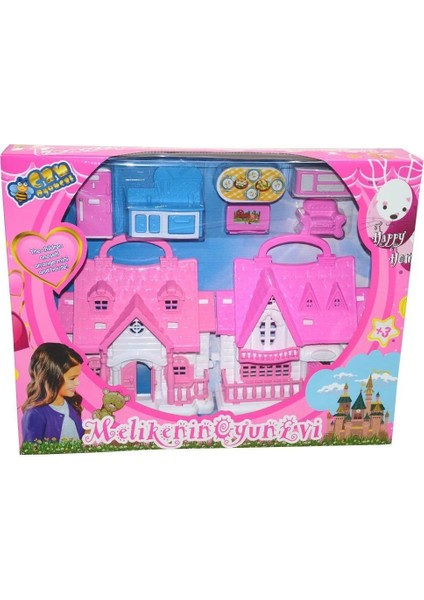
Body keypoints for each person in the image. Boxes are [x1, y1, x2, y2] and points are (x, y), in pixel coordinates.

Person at [21, 343, 85, 443]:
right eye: (72, 378)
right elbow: (32, 449)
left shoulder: (72, 405)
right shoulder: (35, 414)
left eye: (77, 377)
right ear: (52, 378)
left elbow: (78, 437)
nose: (78, 382)